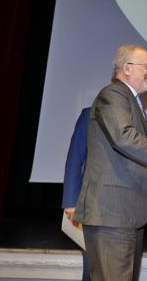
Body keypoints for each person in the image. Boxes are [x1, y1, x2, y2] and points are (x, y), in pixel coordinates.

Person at [73, 44, 147, 281]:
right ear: (127, 68)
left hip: (126, 214)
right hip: (112, 212)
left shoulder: (132, 101)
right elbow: (124, 136)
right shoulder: (113, 94)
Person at [62, 107, 91, 281]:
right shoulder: (91, 114)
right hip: (92, 208)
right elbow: (75, 158)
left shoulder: (136, 115)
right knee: (92, 270)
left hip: (126, 211)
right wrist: (71, 202)